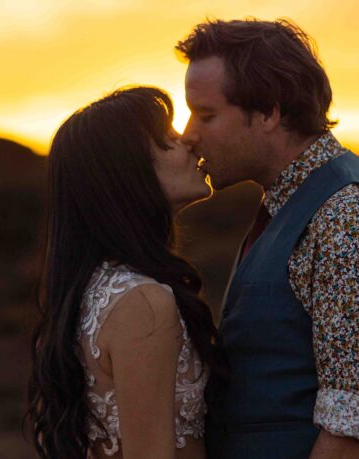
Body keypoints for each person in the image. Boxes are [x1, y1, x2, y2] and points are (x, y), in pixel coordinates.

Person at [176, 19, 359, 459]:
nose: (189, 134)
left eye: (206, 114)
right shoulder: (286, 205)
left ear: (269, 112)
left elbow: (352, 432)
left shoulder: (351, 216)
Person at [27, 86, 223, 459]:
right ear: (128, 174)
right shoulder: (142, 301)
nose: (189, 144)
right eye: (168, 140)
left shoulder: (94, 289)